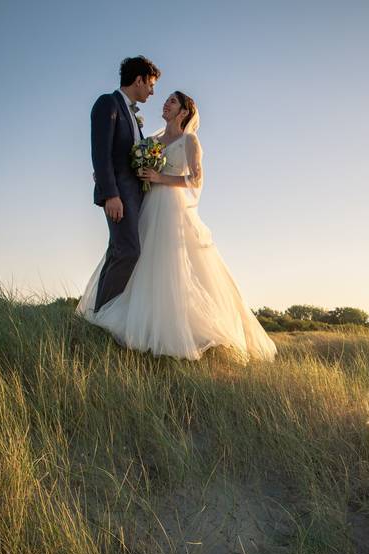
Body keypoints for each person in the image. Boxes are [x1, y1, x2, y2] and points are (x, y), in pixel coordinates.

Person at [77, 91, 278, 363]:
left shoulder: (189, 140)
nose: (166, 103)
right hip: (147, 206)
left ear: (184, 112)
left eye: (172, 101)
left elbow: (195, 180)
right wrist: (106, 174)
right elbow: (130, 165)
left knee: (173, 269)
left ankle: (180, 334)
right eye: (167, 100)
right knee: (141, 262)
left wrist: (160, 177)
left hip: (172, 209)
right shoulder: (152, 140)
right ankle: (136, 327)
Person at [89, 56, 160, 312]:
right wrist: (111, 195)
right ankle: (104, 316)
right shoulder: (108, 103)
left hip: (132, 196)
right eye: (150, 84)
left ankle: (98, 317)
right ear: (138, 80)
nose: (151, 91)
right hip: (118, 195)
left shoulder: (132, 114)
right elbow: (100, 151)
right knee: (128, 252)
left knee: (117, 252)